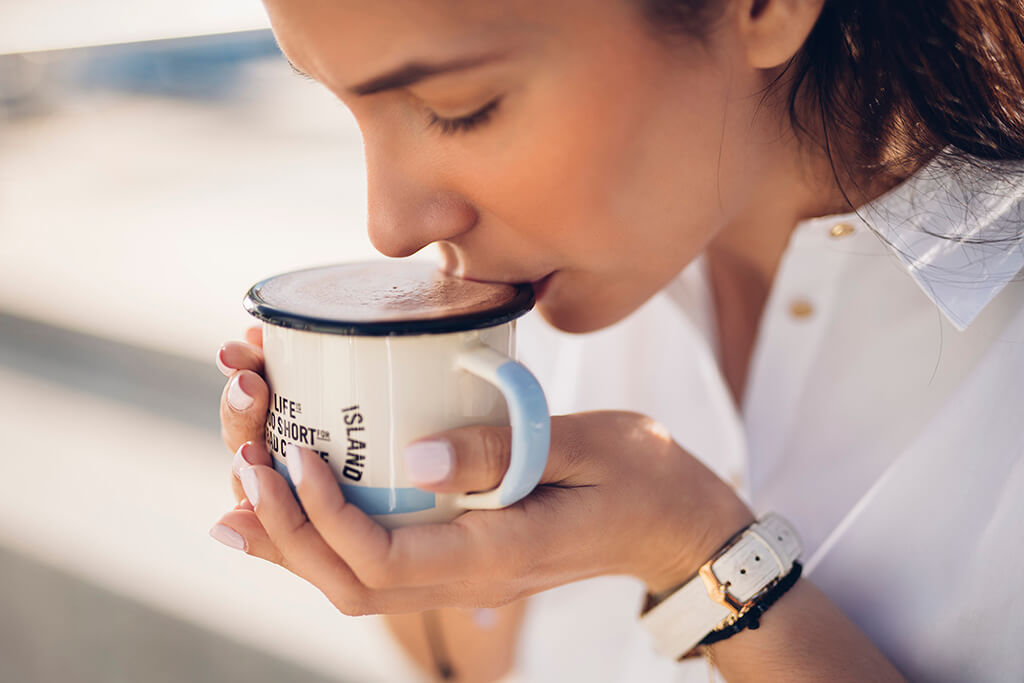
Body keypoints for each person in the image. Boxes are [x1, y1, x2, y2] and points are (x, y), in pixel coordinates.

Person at [207, 1, 1024, 680]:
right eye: (348, 107)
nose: (389, 227)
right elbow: (481, 661)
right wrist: (390, 526)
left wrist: (691, 548)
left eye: (460, 107)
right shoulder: (549, 293)